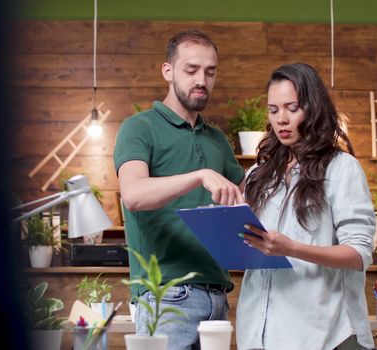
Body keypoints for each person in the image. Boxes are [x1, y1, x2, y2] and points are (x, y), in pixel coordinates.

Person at [113, 30, 245, 350]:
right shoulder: (139, 128)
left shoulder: (216, 140)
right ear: (168, 71)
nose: (202, 80)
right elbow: (133, 195)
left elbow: (243, 199)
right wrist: (199, 175)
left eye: (210, 72)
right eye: (191, 70)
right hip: (168, 295)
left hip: (218, 297)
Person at [236, 63, 376, 350]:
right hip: (259, 334)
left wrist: (291, 248)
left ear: (313, 108)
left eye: (292, 108)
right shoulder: (259, 175)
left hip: (326, 336)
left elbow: (359, 253)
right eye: (273, 110)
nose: (281, 120)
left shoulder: (342, 169)